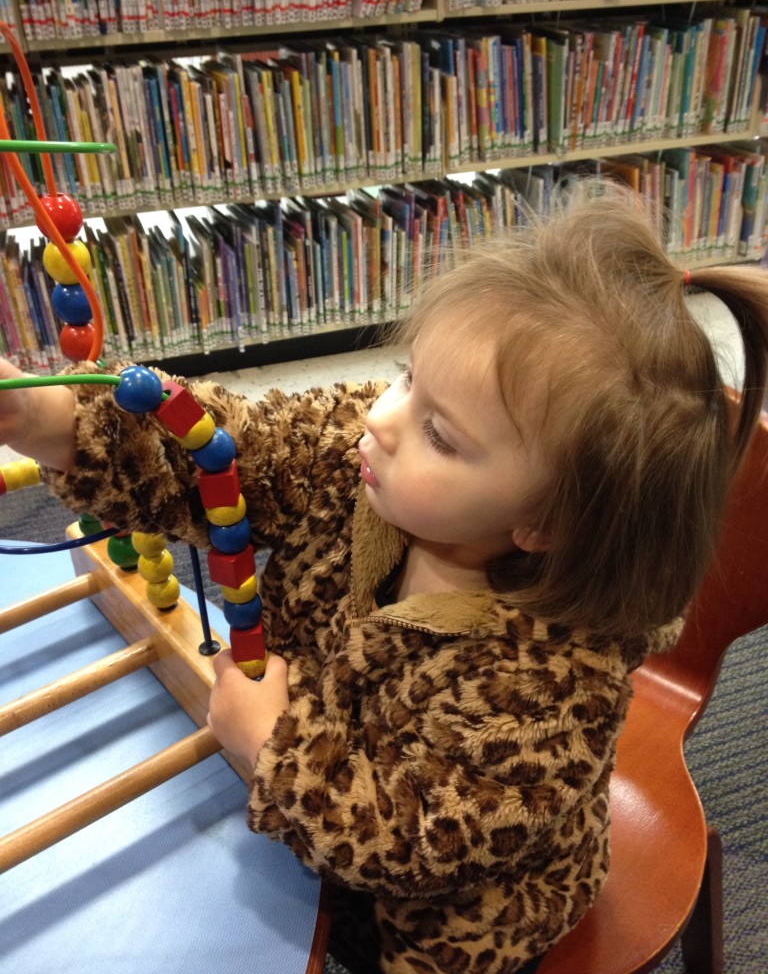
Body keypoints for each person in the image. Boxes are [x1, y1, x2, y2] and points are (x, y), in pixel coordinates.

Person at [2, 183, 767, 974]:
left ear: (542, 525)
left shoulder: (554, 683)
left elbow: (412, 842)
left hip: (444, 920)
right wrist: (51, 422)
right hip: (311, 787)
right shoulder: (363, 458)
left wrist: (272, 745)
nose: (382, 417)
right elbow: (235, 451)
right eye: (408, 376)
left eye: (440, 432)